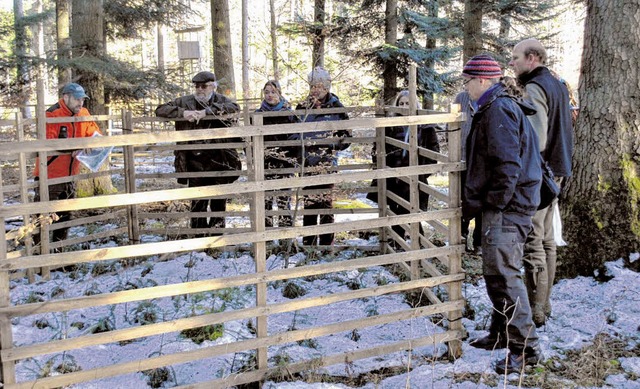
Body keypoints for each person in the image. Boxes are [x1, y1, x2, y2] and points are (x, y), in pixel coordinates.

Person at [461, 54, 543, 374]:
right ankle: (501, 334)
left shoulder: (498, 110)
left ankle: (526, 349)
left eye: (467, 80)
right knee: (496, 273)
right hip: (504, 206)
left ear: (482, 80)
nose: (465, 86)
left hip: (507, 209)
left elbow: (508, 166)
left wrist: (496, 204)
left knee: (505, 276)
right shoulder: (493, 108)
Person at [509, 38, 573, 327]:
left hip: (540, 174)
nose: (512, 63)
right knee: (547, 240)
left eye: (516, 58)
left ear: (532, 58)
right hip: (557, 170)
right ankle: (544, 304)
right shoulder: (557, 84)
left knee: (534, 241)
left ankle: (536, 310)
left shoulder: (535, 87)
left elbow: (537, 138)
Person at [155, 71, 241, 232]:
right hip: (194, 162)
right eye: (197, 86)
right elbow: (160, 109)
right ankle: (198, 240)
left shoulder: (221, 100)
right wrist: (183, 113)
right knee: (198, 204)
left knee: (218, 202)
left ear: (213, 86)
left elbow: (234, 108)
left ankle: (216, 237)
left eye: (204, 86)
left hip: (219, 161)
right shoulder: (184, 102)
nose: (200, 89)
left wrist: (206, 113)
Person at [33, 83, 101, 247]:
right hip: (49, 175)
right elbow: (51, 143)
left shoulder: (84, 113)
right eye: (77, 99)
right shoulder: (51, 115)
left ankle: (59, 253)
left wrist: (90, 143)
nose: (80, 103)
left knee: (64, 216)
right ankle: (38, 254)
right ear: (66, 97)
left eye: (82, 100)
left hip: (70, 174)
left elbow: (96, 134)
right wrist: (77, 146)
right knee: (43, 217)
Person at [367, 90, 440, 242]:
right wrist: (384, 167)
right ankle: (398, 244)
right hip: (394, 178)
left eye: (408, 103)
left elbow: (434, 153)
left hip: (415, 178)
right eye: (401, 103)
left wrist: (422, 172)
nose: (404, 106)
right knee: (395, 211)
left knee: (414, 213)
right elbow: (378, 149)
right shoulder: (390, 126)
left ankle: (418, 245)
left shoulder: (426, 127)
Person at [293, 67, 350, 246]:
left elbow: (347, 135)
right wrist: (300, 150)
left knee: (325, 204)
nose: (315, 89)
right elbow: (293, 132)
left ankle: (326, 245)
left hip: (327, 162)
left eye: (319, 85)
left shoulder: (337, 107)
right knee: (309, 204)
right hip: (307, 162)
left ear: (327, 86)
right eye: (312, 86)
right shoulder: (302, 106)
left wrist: (331, 144)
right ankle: (309, 244)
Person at [253, 80, 300, 228]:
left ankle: (285, 239)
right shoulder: (257, 114)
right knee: (265, 201)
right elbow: (250, 140)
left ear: (279, 93)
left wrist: (290, 158)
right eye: (266, 92)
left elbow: (296, 137)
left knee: (283, 201)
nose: (269, 95)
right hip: (264, 163)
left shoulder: (289, 114)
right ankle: (266, 237)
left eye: (273, 92)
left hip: (284, 163)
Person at [454, 90, 482, 255]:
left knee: (481, 202)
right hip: (463, 159)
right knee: (463, 200)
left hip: (482, 163)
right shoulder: (461, 98)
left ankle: (479, 243)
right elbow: (452, 126)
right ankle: (461, 238)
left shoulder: (491, 99)